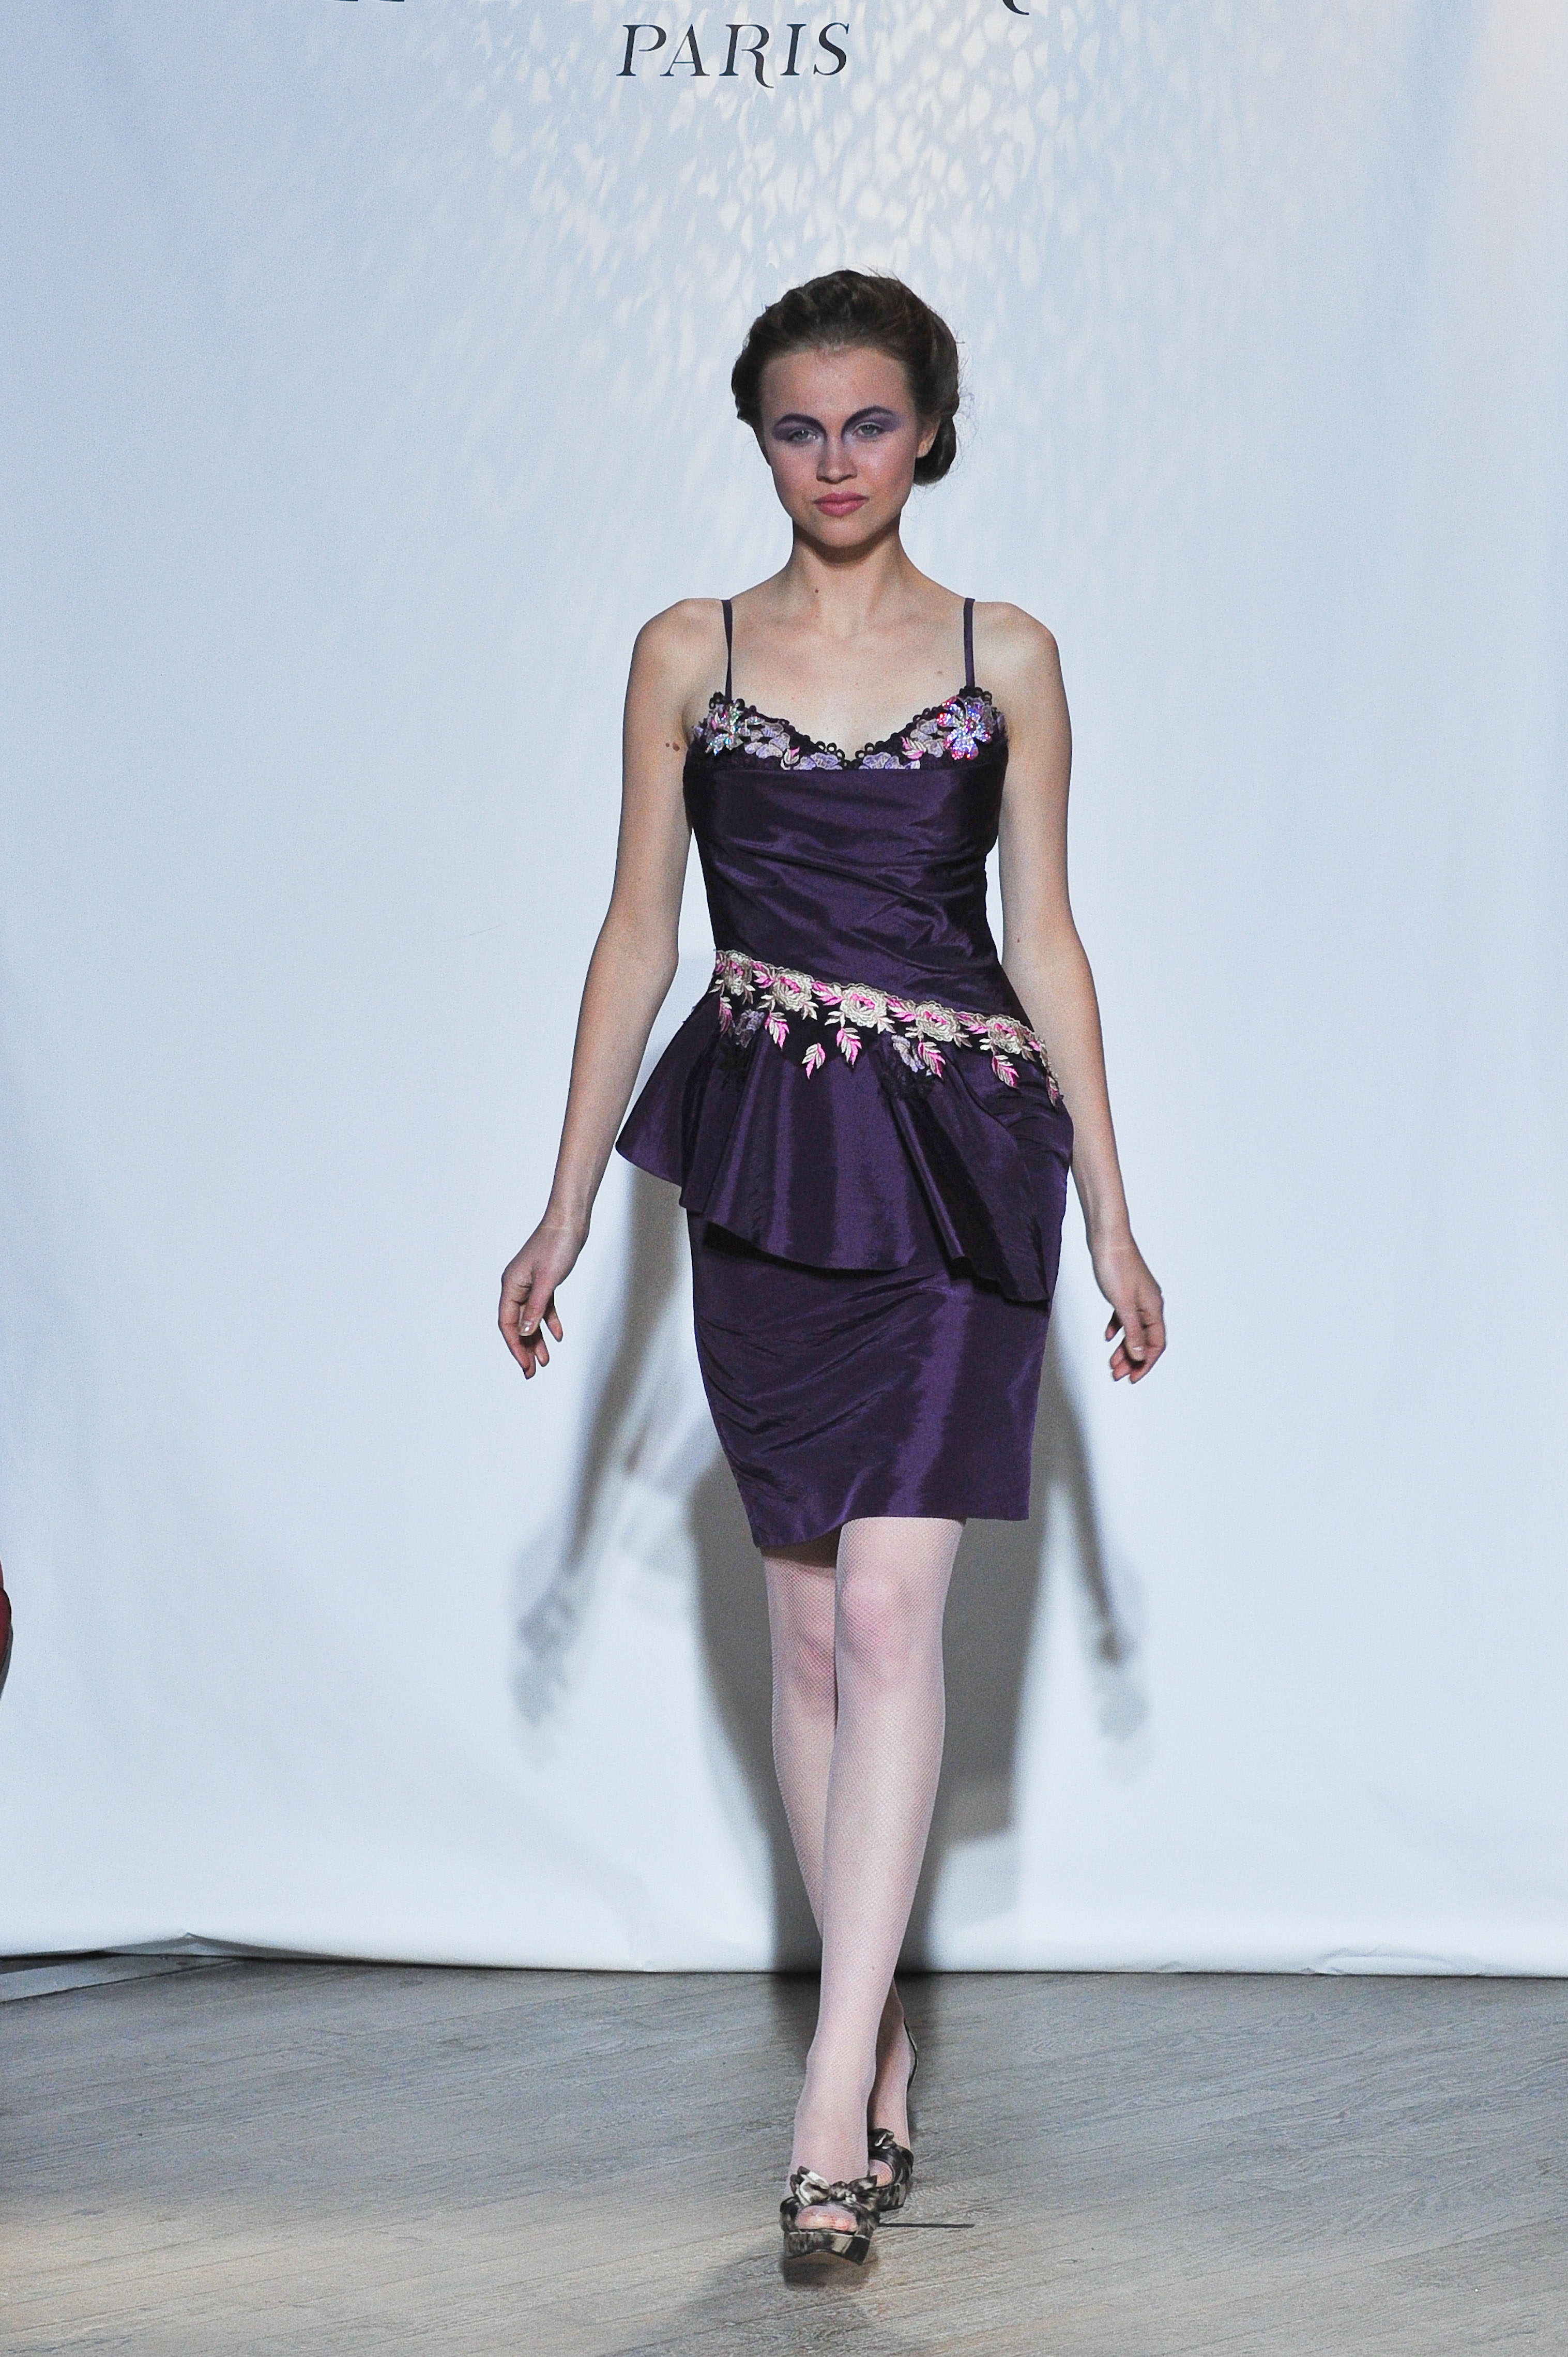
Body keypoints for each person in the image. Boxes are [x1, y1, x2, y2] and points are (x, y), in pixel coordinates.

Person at [499, 269, 1165, 2265]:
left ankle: (824, 2105)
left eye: (869, 422)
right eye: (798, 428)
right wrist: (562, 1204)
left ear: (930, 429)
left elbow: (1046, 940)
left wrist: (1114, 1212)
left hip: (964, 1168)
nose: (835, 460)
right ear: (760, 442)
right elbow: (639, 932)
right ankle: (872, 2045)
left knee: (887, 1618)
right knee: (804, 1640)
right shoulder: (684, 652)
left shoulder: (1006, 654)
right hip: (775, 1162)